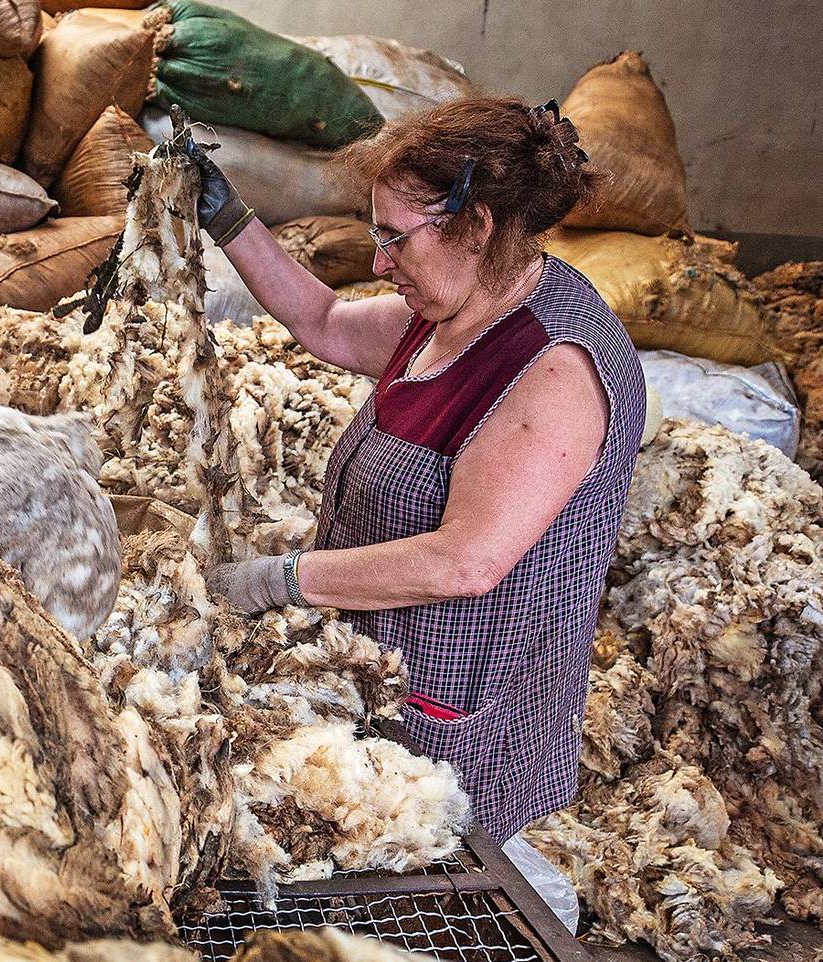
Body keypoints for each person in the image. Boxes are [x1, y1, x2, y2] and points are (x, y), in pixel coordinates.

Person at [192, 98, 645, 897]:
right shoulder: (450, 307)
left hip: (458, 694)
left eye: (395, 239)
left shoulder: (550, 368)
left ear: (476, 226)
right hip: (380, 665)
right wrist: (228, 219)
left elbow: (467, 561)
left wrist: (280, 579)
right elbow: (325, 320)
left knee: (426, 879)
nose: (379, 262)